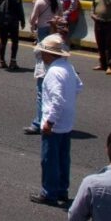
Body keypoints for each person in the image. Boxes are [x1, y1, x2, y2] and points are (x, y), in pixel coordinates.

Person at [30, 34, 83, 206]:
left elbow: (57, 99)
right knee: (63, 158)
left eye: (43, 52)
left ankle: (49, 192)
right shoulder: (69, 67)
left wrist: (50, 121)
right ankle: (62, 190)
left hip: (55, 123)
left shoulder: (53, 72)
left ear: (49, 54)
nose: (42, 56)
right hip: (67, 121)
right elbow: (78, 86)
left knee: (49, 158)